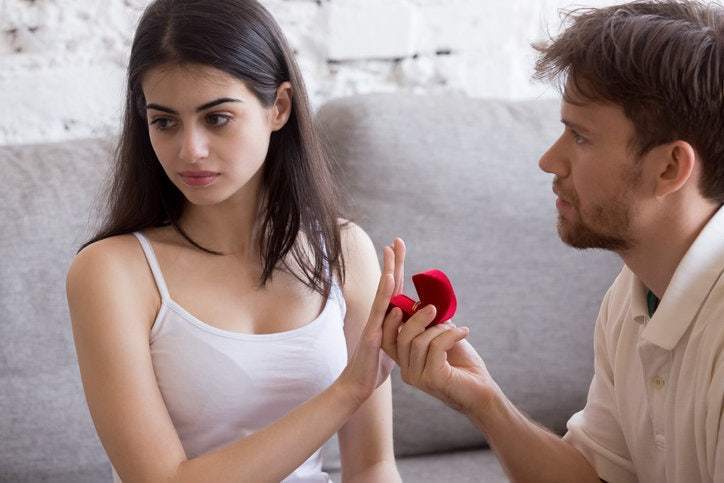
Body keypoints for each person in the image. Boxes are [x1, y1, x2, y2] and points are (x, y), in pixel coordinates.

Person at [380, 1, 724, 482]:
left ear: (669, 167)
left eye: (580, 137)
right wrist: (483, 400)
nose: (549, 160)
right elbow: (593, 476)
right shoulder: (634, 295)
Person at [65, 1, 405, 481]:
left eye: (217, 118)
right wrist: (348, 391)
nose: (190, 150)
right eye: (165, 122)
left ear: (278, 107)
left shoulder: (344, 250)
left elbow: (373, 465)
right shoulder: (112, 271)